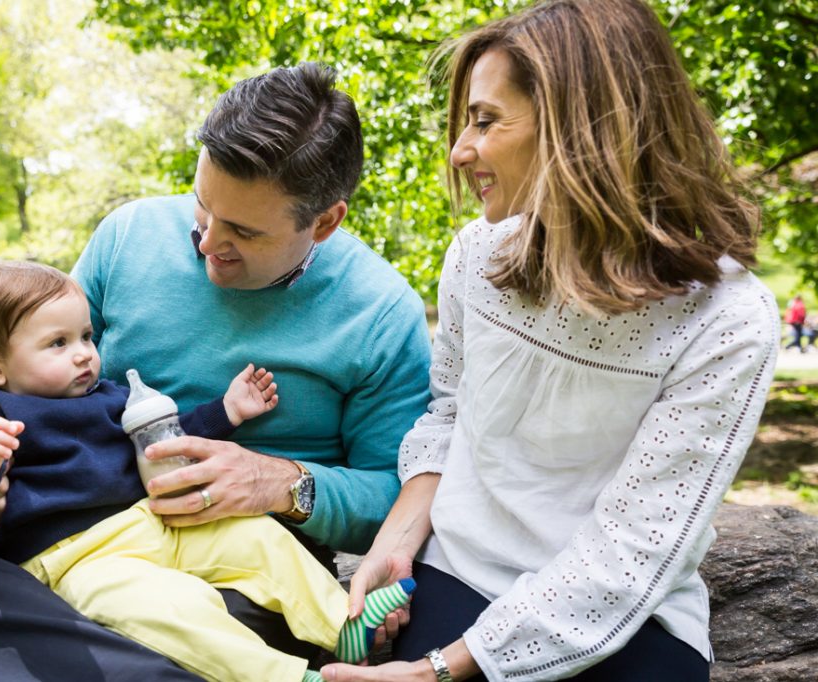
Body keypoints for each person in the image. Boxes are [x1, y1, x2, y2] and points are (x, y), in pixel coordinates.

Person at [0, 62, 433, 681]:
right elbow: (30, 371)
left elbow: (393, 494)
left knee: (193, 619)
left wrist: (283, 483)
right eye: (202, 205)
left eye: (243, 231)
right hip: (70, 544)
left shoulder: (380, 311)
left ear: (324, 221)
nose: (206, 241)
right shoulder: (127, 235)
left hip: (233, 555)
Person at [319, 1, 780, 681]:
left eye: (484, 120)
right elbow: (448, 416)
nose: (460, 150)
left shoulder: (730, 320)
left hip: (633, 621)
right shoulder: (477, 256)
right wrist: (398, 537)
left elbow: (632, 552)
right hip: (464, 577)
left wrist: (436, 672)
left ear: (579, 127)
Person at [0, 260, 414, 682]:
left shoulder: (104, 395)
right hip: (79, 561)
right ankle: (290, 676)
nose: (83, 353)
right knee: (174, 609)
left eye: (85, 337)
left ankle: (344, 625)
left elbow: (167, 433)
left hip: (156, 523)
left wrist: (227, 412)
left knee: (255, 538)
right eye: (57, 343)